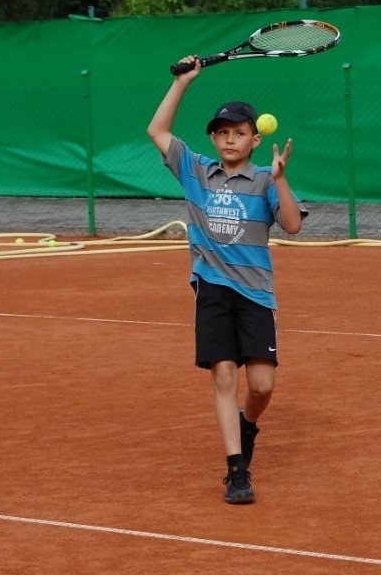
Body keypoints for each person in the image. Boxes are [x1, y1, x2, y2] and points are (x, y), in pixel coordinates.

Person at [147, 55, 307, 504]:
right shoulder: (196, 170)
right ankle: (237, 471)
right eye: (222, 132)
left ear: (256, 139)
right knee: (223, 375)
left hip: (255, 293)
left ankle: (247, 425)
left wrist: (280, 180)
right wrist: (183, 81)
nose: (229, 139)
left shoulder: (264, 179)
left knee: (261, 386)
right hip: (212, 287)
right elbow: (157, 131)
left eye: (238, 132)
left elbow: (293, 225)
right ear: (213, 139)